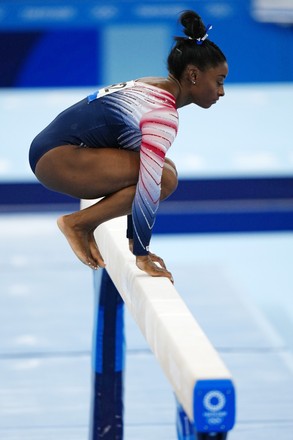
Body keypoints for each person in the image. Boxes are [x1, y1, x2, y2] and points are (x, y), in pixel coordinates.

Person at [29, 10, 228, 282]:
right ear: (193, 75)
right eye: (218, 81)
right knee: (165, 178)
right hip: (59, 160)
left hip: (51, 150)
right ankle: (77, 224)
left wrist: (135, 242)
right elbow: (149, 186)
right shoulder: (163, 114)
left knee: (165, 168)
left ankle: (82, 224)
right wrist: (142, 256)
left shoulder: (153, 84)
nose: (221, 92)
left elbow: (139, 171)